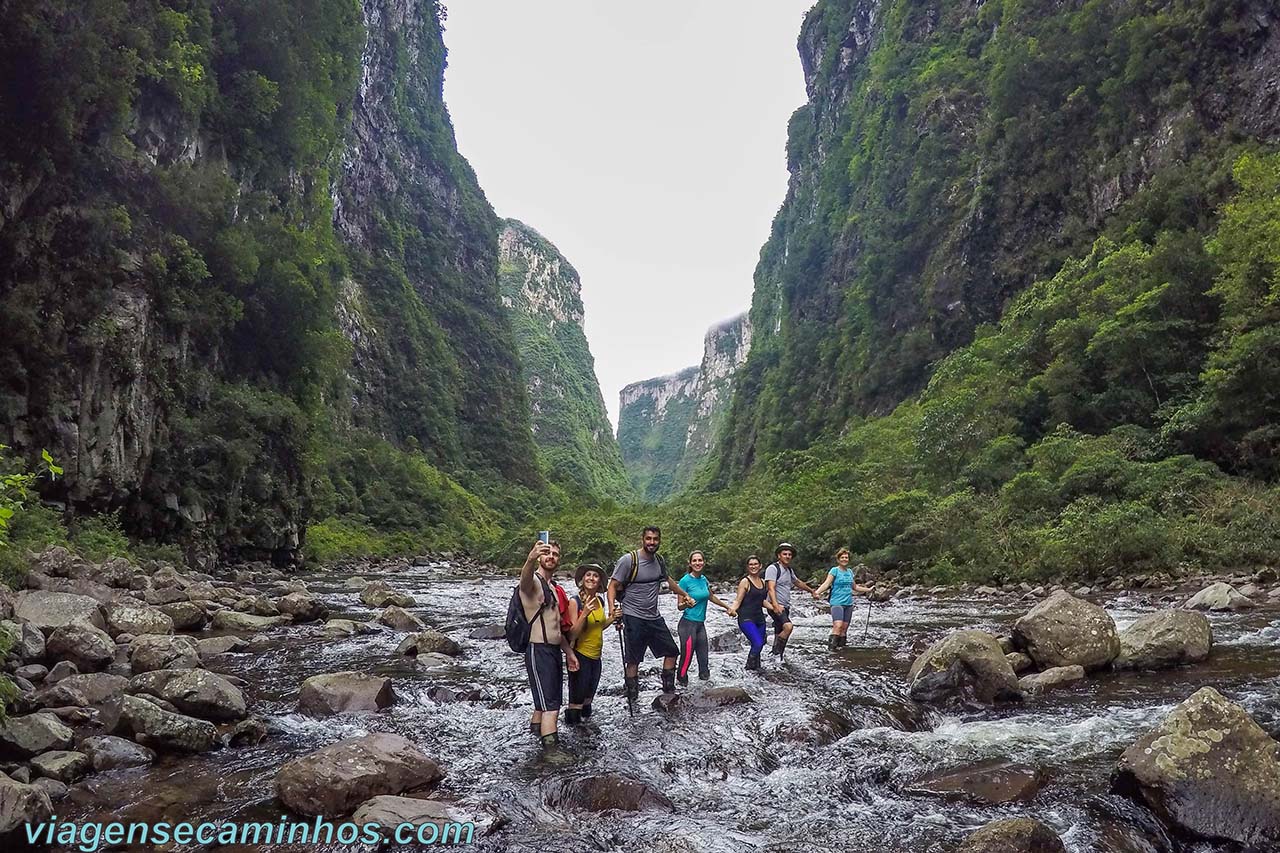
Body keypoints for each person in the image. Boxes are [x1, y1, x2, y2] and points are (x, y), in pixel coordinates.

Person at [607, 526, 695, 703]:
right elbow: (612, 586)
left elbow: (669, 582)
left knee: (672, 651)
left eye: (655, 539)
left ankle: (668, 691)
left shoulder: (659, 561)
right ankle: (632, 697)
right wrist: (612, 610)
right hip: (632, 617)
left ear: (659, 540)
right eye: (649, 539)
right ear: (642, 539)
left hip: (654, 616)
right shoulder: (628, 560)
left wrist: (685, 595)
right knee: (633, 660)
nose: (652, 542)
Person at [518, 539, 579, 746]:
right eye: (547, 553)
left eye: (555, 554)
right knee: (551, 707)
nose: (551, 557)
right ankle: (551, 753)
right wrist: (530, 559)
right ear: (540, 556)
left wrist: (569, 652)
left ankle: (535, 738)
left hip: (553, 650)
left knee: (544, 704)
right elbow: (523, 582)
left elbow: (557, 627)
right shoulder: (533, 582)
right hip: (538, 649)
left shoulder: (553, 588)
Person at [675, 550, 734, 685]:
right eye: (694, 561)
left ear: (704, 562)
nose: (697, 563)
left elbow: (711, 596)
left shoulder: (703, 579)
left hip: (700, 625)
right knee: (686, 659)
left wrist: (727, 607)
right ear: (690, 563)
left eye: (700, 560)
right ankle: (680, 689)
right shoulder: (685, 581)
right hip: (687, 624)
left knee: (704, 660)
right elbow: (679, 606)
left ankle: (705, 691)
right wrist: (687, 604)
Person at [565, 564, 614, 724]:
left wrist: (613, 619)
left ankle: (586, 739)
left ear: (599, 582)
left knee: (588, 701)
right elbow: (572, 633)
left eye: (595, 576)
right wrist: (584, 613)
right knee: (576, 703)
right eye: (588, 575)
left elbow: (598, 626)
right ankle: (572, 742)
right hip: (580, 656)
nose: (591, 578)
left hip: (596, 657)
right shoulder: (575, 602)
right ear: (582, 579)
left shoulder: (600, 600)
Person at [811, 547, 872, 649]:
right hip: (836, 602)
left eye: (846, 557)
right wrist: (817, 592)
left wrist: (869, 590)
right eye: (842, 557)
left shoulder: (850, 572)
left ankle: (842, 651)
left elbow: (855, 587)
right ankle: (831, 651)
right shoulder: (834, 570)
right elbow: (826, 584)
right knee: (838, 626)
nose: (844, 559)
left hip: (848, 604)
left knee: (844, 629)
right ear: (838, 559)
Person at [764, 542, 815, 658]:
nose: (787, 556)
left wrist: (811, 591)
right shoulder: (773, 569)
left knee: (779, 630)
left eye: (789, 554)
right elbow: (771, 588)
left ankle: (775, 655)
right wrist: (775, 606)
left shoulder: (789, 570)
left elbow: (798, 582)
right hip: (775, 605)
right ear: (779, 556)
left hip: (785, 606)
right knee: (788, 627)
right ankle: (777, 655)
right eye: (784, 554)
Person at [726, 555, 774, 670]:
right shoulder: (745, 582)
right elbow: (738, 600)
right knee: (757, 643)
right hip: (746, 618)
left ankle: (757, 669)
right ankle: (748, 669)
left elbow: (761, 600)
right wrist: (732, 609)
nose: (753, 566)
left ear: (760, 566)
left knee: (759, 645)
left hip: (760, 619)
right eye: (751, 564)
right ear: (748, 567)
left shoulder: (763, 582)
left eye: (755, 564)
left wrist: (774, 607)